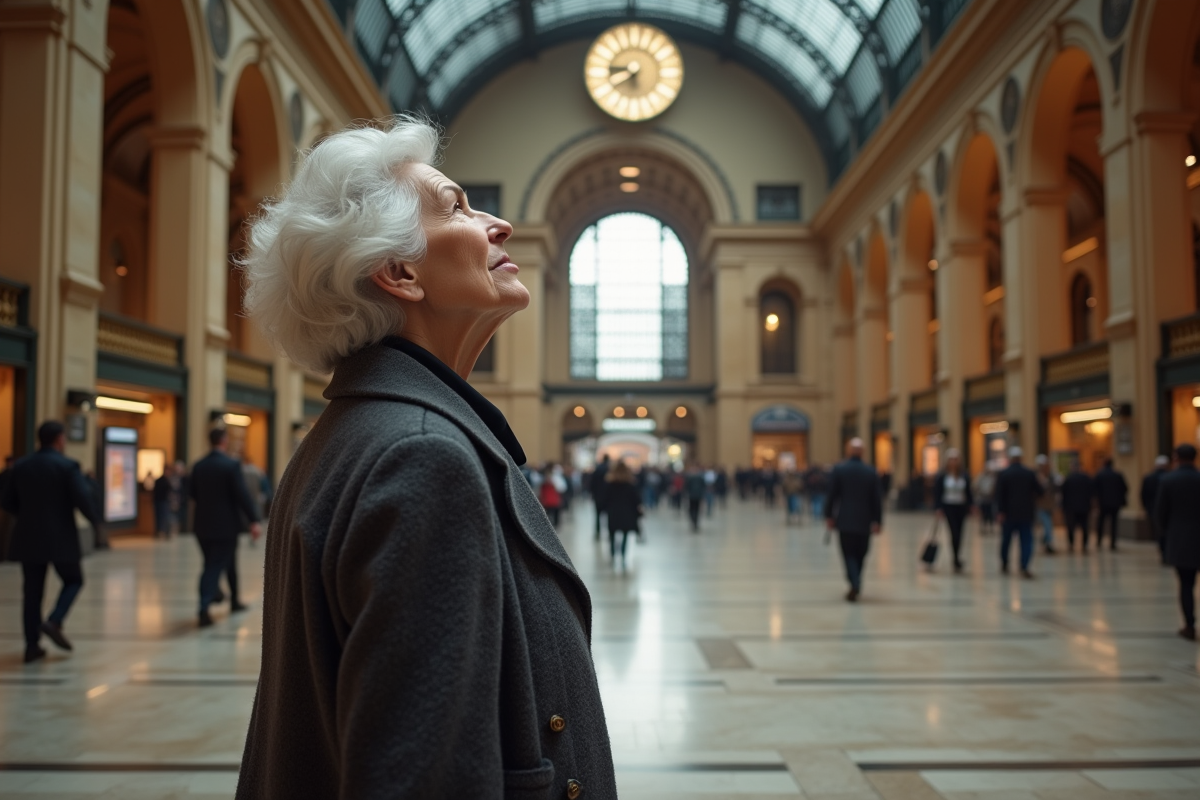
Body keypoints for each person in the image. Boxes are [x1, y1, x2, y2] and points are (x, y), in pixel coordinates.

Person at [234, 117, 616, 799]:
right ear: (398, 272)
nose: (498, 224)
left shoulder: (357, 432)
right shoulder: (422, 457)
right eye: (456, 206)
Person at [1, 421, 101, 663]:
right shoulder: (67, 466)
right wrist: (95, 521)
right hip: (60, 537)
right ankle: (55, 620)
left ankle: (31, 645)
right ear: (59, 439)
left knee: (32, 592)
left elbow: (6, 500)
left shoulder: (21, 466)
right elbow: (82, 498)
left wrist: (26, 516)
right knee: (74, 580)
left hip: (27, 536)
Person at [191, 427, 261, 627]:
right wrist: (254, 520)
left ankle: (234, 600)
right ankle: (204, 607)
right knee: (213, 567)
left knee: (227, 563)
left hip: (202, 526)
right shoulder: (230, 465)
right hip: (225, 527)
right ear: (224, 441)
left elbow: (192, 493)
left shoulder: (199, 466)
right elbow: (242, 495)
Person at [825, 438, 882, 602]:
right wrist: (877, 520)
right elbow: (876, 499)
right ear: (863, 452)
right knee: (861, 553)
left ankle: (854, 581)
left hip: (845, 519)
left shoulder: (840, 470)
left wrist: (829, 515)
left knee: (848, 553)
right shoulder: (870, 471)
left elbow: (832, 495)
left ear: (848, 451)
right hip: (864, 520)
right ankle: (856, 580)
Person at [1156, 443, 1200, 641]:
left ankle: (1189, 625)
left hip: (1181, 540)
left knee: (1186, 584)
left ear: (1176, 458)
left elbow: (1160, 513)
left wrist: (1166, 534)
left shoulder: (1168, 480)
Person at [994, 446, 1043, 578]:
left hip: (1008, 514)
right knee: (1026, 541)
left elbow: (999, 494)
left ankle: (1005, 562)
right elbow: (1040, 491)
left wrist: (1000, 511)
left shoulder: (1004, 474)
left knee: (1006, 540)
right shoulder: (1029, 473)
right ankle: (1024, 566)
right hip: (1026, 513)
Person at [933, 448, 973, 573]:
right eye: (951, 459)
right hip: (949, 506)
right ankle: (955, 557)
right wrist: (938, 508)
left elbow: (968, 493)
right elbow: (938, 493)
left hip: (961, 507)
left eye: (956, 459)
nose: (954, 462)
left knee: (960, 533)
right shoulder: (942, 476)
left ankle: (957, 556)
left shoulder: (964, 476)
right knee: (954, 532)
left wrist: (971, 505)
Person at [605, 460, 641, 566]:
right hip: (627, 512)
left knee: (612, 533)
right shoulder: (630, 484)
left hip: (613, 512)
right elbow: (636, 500)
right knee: (625, 534)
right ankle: (623, 554)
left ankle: (613, 553)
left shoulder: (610, 484)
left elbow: (605, 499)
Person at [1093, 458, 1128, 551]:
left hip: (1103, 503)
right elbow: (1125, 488)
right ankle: (1113, 543)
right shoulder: (1117, 475)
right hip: (1115, 503)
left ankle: (1099, 541)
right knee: (1114, 524)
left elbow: (1095, 489)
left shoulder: (1100, 475)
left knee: (1101, 523)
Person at [1060, 461, 1094, 553]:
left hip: (1070, 507)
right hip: (1084, 507)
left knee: (1071, 527)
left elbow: (1063, 494)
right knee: (1084, 526)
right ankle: (1084, 545)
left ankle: (1071, 544)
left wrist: (1063, 507)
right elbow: (1091, 492)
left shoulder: (1068, 479)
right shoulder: (1086, 478)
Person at [1142, 455, 1170, 563]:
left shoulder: (1149, 478)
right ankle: (1166, 552)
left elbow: (1143, 495)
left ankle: (1163, 552)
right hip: (1169, 511)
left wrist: (1146, 508)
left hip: (1153, 509)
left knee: (1159, 531)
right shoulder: (1169, 477)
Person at [1034, 455, 1059, 555]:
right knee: (1047, 524)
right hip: (1040, 506)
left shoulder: (1051, 476)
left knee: (1047, 525)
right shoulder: (1035, 476)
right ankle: (1047, 542)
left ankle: (1046, 542)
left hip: (1049, 505)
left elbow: (1055, 490)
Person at [592, 453, 611, 542]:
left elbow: (592, 483)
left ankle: (598, 532)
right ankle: (609, 533)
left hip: (598, 496)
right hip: (608, 497)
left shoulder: (598, 469)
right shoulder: (609, 469)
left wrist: (593, 494)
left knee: (597, 516)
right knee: (609, 516)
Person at [539, 463, 563, 527]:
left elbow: (561, 489)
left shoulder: (556, 480)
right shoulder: (543, 483)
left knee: (553, 516)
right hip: (548, 501)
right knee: (548, 515)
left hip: (552, 501)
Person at [974, 468, 997, 535]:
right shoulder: (980, 478)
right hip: (982, 499)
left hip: (990, 499)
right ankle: (983, 528)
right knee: (983, 515)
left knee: (990, 515)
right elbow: (976, 487)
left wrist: (991, 493)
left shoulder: (992, 478)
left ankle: (991, 528)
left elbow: (994, 487)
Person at [684, 462, 706, 532]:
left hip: (694, 496)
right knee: (694, 510)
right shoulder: (697, 477)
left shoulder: (691, 477)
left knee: (694, 510)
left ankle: (694, 522)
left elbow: (686, 487)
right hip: (694, 496)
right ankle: (694, 522)